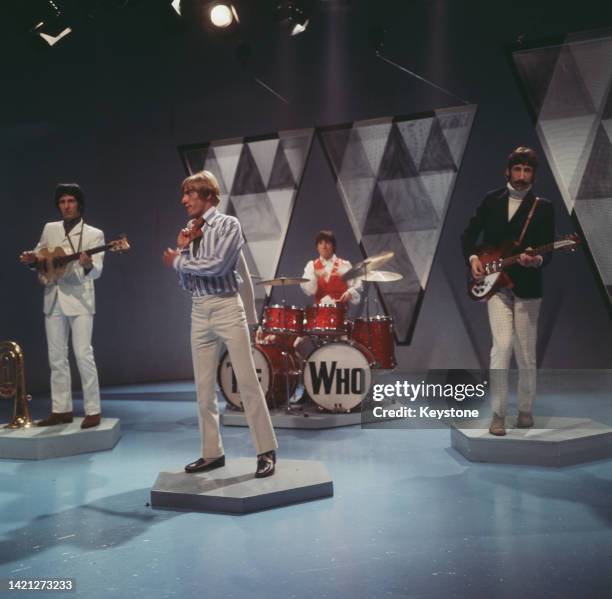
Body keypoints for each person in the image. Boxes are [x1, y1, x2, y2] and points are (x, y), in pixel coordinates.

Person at [163, 170, 278, 478]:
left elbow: (218, 266)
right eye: (184, 194)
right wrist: (185, 249)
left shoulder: (229, 224)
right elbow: (186, 283)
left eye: (190, 194)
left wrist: (177, 259)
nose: (184, 199)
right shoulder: (189, 228)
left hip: (227, 306)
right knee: (202, 388)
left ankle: (266, 451)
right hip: (199, 309)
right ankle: (211, 453)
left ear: (209, 196)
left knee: (247, 382)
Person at [461, 147, 555, 436]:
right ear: (508, 171)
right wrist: (474, 258)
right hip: (496, 287)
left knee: (526, 353)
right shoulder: (492, 200)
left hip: (527, 288)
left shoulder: (543, 207)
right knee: (501, 348)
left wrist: (536, 259)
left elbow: (548, 249)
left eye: (528, 171)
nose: (522, 176)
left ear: (533, 175)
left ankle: (525, 411)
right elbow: (468, 235)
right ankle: (498, 414)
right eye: (518, 169)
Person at [19, 183, 105, 429]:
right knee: (56, 357)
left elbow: (96, 270)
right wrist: (31, 260)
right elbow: (41, 254)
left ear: (79, 203)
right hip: (53, 296)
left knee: (82, 354)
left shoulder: (93, 234)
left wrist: (87, 264)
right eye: (63, 202)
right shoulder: (50, 228)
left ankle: (93, 410)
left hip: (80, 300)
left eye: (71, 201)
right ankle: (61, 409)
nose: (67, 206)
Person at [300, 230, 361, 305]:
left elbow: (357, 286)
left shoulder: (344, 265)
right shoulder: (312, 266)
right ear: (317, 247)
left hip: (340, 313)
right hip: (320, 313)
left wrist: (350, 292)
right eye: (320, 243)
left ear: (333, 246)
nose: (324, 246)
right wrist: (315, 275)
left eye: (327, 243)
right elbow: (309, 291)